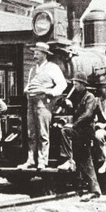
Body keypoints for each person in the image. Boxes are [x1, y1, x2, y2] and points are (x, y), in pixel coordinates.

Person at [18, 42, 67, 170]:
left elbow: (62, 84)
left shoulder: (52, 68)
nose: (35, 55)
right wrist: (27, 89)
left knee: (43, 133)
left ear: (45, 54)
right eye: (34, 53)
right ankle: (30, 160)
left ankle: (42, 161)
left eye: (37, 53)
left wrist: (51, 92)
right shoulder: (32, 69)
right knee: (31, 133)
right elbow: (30, 83)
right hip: (31, 102)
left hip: (43, 103)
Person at [58, 72, 101, 201]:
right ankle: (87, 186)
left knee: (86, 160)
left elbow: (88, 114)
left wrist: (74, 125)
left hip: (86, 132)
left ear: (83, 85)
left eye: (76, 84)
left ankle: (95, 190)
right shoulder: (77, 96)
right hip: (79, 132)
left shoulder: (90, 97)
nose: (74, 86)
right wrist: (65, 102)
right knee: (84, 160)